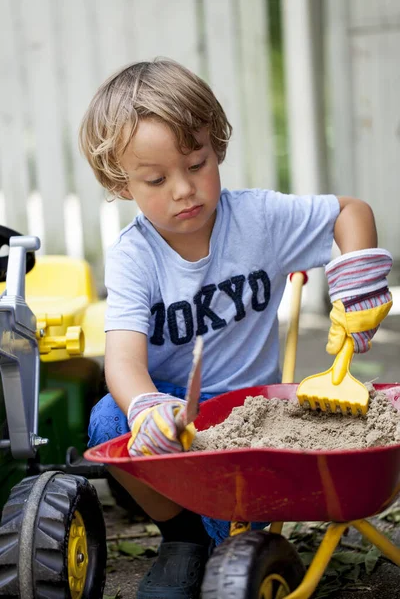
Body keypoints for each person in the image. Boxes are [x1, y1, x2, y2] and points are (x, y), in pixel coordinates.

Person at [79, 58, 392, 599]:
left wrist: (357, 284)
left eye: (196, 164)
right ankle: (181, 540)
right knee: (109, 422)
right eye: (156, 179)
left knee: (237, 539)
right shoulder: (135, 257)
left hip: (256, 417)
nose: (184, 190)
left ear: (216, 147)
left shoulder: (258, 220)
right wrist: (146, 407)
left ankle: (220, 537)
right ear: (121, 183)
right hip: (181, 417)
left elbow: (351, 212)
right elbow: (123, 362)